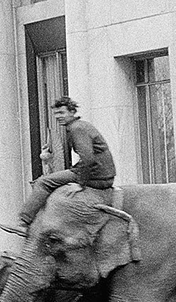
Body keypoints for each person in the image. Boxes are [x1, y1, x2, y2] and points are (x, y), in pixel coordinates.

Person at [6, 97, 116, 235]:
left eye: (62, 113)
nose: (58, 117)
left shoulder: (77, 128)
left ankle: (23, 222)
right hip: (102, 172)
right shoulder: (78, 126)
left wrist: (81, 184)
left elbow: (88, 158)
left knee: (43, 182)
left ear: (72, 112)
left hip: (98, 175)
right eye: (56, 113)